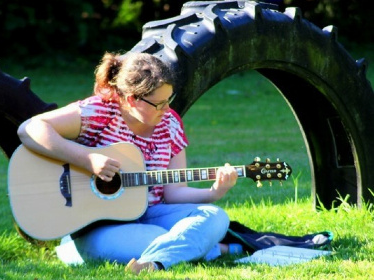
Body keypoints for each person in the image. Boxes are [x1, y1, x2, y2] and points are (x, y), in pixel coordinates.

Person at [17, 51, 238, 274]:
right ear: (132, 99)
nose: (167, 110)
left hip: (150, 215)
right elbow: (29, 129)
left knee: (216, 217)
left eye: (168, 100)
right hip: (95, 227)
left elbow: (173, 193)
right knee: (161, 238)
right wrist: (87, 159)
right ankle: (207, 249)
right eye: (159, 104)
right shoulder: (100, 112)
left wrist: (214, 192)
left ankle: (158, 262)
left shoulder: (170, 124)